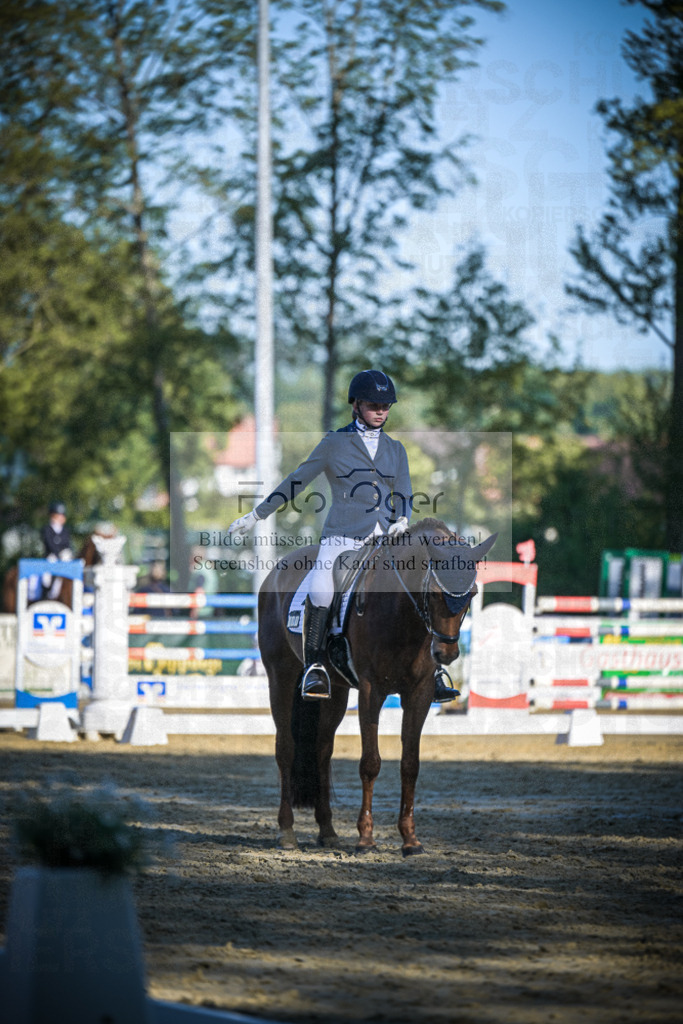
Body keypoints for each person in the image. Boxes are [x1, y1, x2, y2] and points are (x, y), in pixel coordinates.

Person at [227, 369, 458, 703]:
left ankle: (432, 670)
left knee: (420, 587)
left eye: (386, 405)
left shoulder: (396, 449)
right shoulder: (335, 443)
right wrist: (257, 514)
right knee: (321, 590)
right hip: (342, 538)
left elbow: (404, 491)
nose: (381, 410)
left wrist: (403, 518)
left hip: (386, 538)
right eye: (374, 404)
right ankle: (315, 666)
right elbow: (297, 480)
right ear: (356, 404)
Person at [40, 501, 73, 600]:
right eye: (59, 515)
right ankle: (47, 593)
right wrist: (57, 553)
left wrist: (65, 552)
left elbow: (67, 544)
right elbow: (49, 544)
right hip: (51, 555)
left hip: (63, 556)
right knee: (47, 576)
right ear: (53, 516)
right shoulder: (47, 529)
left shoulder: (65, 531)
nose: (61, 518)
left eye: (62, 515)